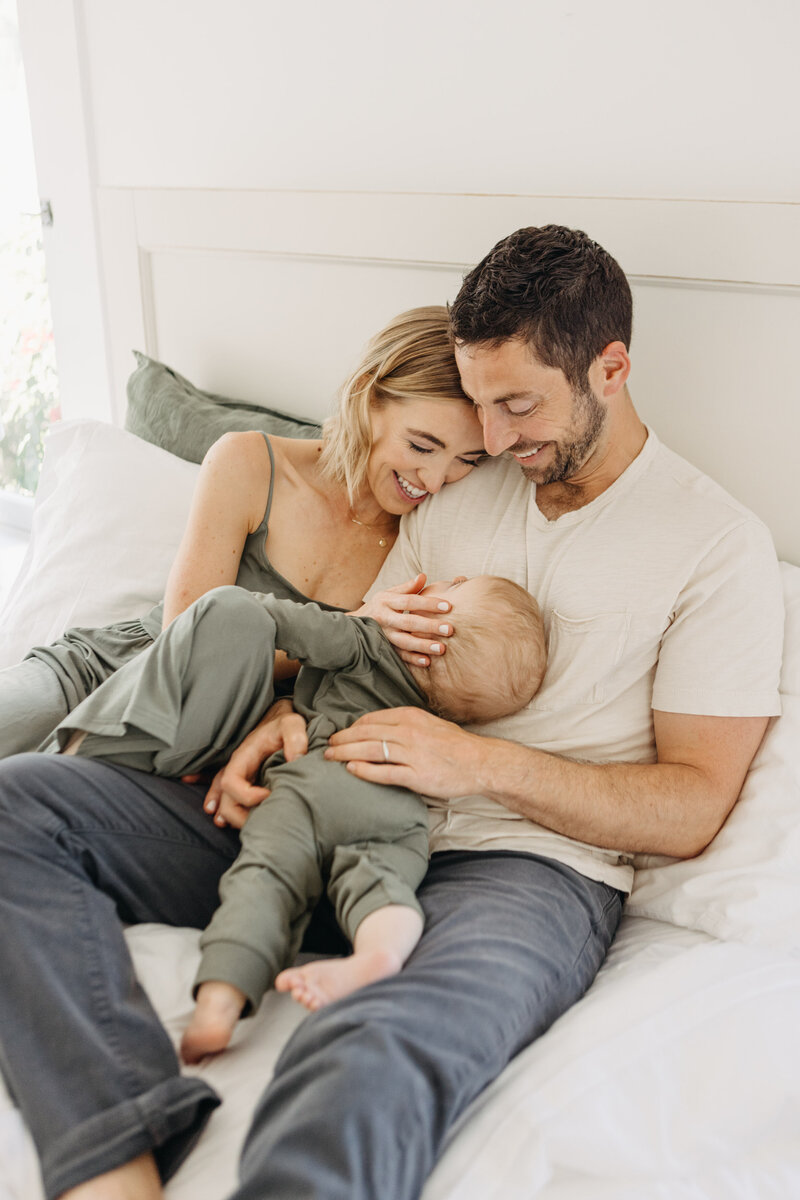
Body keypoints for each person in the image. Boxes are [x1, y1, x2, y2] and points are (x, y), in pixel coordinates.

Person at [0, 225, 784, 1200]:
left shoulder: (713, 547)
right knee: (17, 807)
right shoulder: (465, 486)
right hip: (336, 793)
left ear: (610, 368)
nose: (491, 441)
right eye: (477, 405)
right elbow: (371, 655)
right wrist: (291, 723)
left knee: (373, 1047)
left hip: (520, 868)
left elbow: (691, 805)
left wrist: (474, 764)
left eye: (516, 405)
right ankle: (113, 1159)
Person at [48, 573, 545, 1062]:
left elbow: (274, 620)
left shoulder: (369, 641)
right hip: (396, 797)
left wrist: (357, 618)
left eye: (454, 590)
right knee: (384, 879)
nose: (446, 578)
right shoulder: (440, 724)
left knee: (265, 880)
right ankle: (378, 955)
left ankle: (220, 1003)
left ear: (427, 630)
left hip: (314, 778)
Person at [0, 305, 485, 766]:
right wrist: (354, 628)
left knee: (30, 801)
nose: (436, 479)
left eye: (467, 460)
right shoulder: (249, 462)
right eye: (422, 445)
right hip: (113, 666)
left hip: (215, 727)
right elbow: (185, 637)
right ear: (368, 396)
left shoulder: (423, 540)